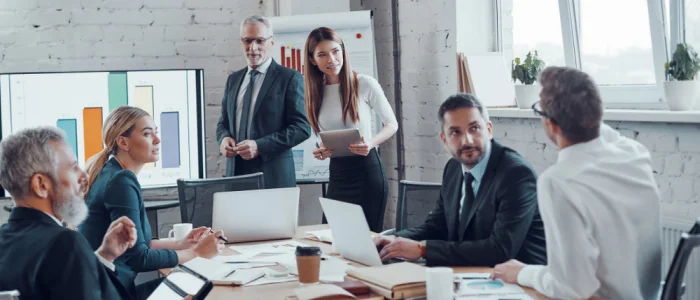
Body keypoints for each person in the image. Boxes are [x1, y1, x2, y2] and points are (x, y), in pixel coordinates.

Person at [491, 67, 663, 299]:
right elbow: (601, 133)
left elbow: (571, 289)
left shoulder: (558, 182)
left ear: (552, 125)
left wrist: (523, 273)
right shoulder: (634, 152)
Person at [374, 93, 547, 267]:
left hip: (520, 284)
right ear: (444, 139)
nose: (467, 140)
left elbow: (500, 250)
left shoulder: (516, 174)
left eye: (474, 128)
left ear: (489, 129)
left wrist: (423, 249)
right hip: (470, 274)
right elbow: (437, 226)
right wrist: (395, 239)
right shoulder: (454, 168)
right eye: (455, 132)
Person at [78, 106, 224, 300]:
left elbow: (135, 245)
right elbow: (138, 259)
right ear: (123, 142)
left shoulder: (110, 173)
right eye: (147, 134)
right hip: (115, 294)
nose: (157, 140)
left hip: (111, 289)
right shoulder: (120, 180)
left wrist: (180, 243)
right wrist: (197, 252)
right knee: (204, 286)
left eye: (156, 132)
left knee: (198, 282)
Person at [0, 126, 136, 300]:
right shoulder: (64, 243)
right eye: (73, 167)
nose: (84, 176)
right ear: (41, 185)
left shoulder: (5, 240)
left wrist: (104, 255)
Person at [304, 27, 398, 232]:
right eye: (322, 54)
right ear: (312, 60)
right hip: (338, 175)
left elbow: (392, 124)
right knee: (331, 238)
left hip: (367, 172)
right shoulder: (314, 92)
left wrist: (371, 143)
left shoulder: (363, 83)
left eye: (336, 51)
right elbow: (320, 135)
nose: (332, 59)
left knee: (368, 241)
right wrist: (321, 149)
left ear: (343, 51)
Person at [216, 15, 311, 188]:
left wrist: (259, 146)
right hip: (236, 176)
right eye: (247, 41)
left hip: (273, 177)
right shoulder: (233, 80)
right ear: (241, 42)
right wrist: (223, 139)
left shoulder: (289, 78)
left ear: (271, 42)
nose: (253, 48)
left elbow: (302, 129)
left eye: (260, 41)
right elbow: (223, 123)